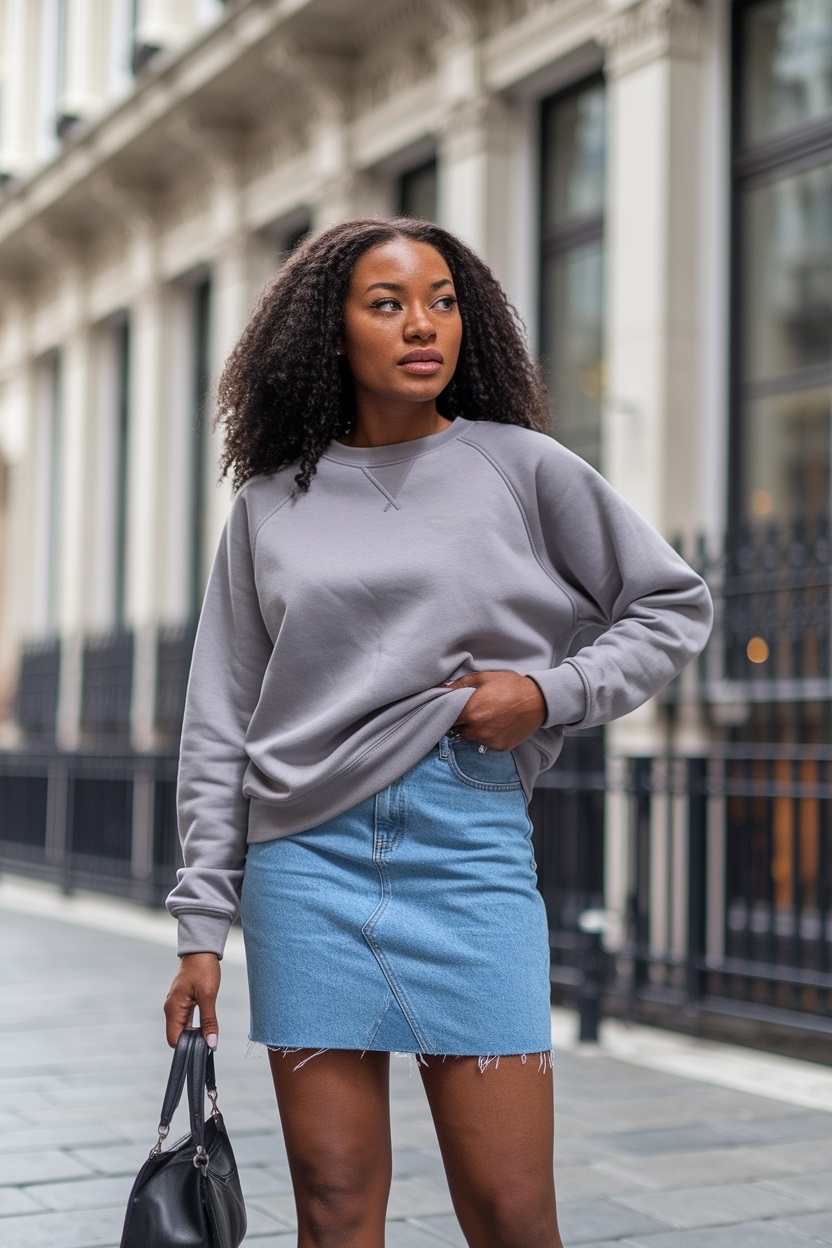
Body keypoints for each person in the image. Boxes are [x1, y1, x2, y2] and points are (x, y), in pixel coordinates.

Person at [163, 217, 712, 1248]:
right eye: (388, 304)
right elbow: (219, 719)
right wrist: (201, 928)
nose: (423, 325)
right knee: (330, 1212)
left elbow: (672, 606)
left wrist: (549, 694)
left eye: (443, 301)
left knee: (511, 1212)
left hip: (468, 854)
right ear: (331, 335)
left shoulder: (522, 467)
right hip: (305, 867)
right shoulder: (271, 505)